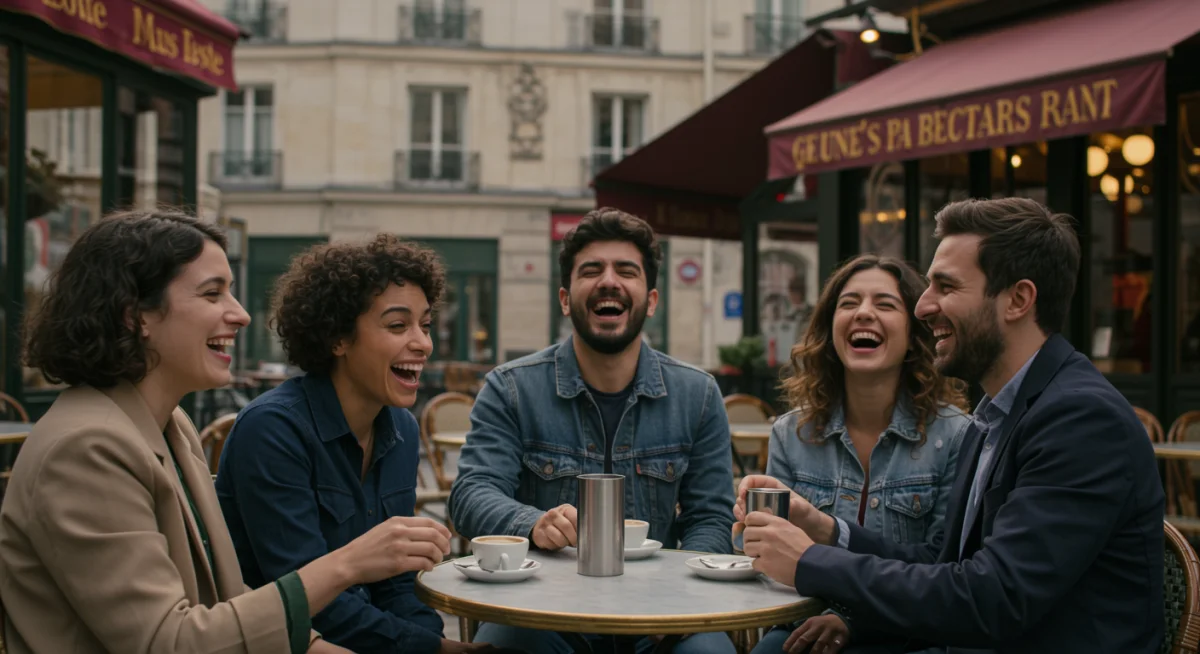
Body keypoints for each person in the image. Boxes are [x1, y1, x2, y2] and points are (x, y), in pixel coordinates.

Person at [0, 210, 452, 654]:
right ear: (135, 315)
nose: (241, 315)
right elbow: (169, 642)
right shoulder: (86, 449)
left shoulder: (170, 426)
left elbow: (229, 597)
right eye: (213, 294)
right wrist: (348, 564)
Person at [738, 197, 1164, 653]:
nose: (923, 305)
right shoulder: (999, 414)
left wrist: (809, 561)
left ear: (1018, 300)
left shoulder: (1080, 419)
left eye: (945, 286)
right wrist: (827, 530)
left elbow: (993, 598)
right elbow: (944, 564)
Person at [449, 208, 737, 654]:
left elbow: (712, 517)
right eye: (591, 270)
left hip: (659, 614)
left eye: (626, 271)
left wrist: (679, 601)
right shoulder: (511, 388)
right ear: (565, 299)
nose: (609, 281)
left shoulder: (698, 394)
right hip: (539, 611)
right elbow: (471, 494)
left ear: (652, 299)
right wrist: (533, 523)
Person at [215, 235, 489, 654]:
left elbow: (397, 583)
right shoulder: (272, 430)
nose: (423, 343)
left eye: (426, 324)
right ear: (337, 339)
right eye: (398, 325)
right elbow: (305, 599)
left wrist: (434, 642)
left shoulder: (401, 428)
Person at [746, 254, 970, 654]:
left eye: (885, 305)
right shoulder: (791, 433)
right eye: (849, 303)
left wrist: (853, 620)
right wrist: (748, 533)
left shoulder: (955, 435)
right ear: (830, 328)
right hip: (808, 625)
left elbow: (943, 566)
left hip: (911, 633)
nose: (864, 313)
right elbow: (773, 567)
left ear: (915, 332)